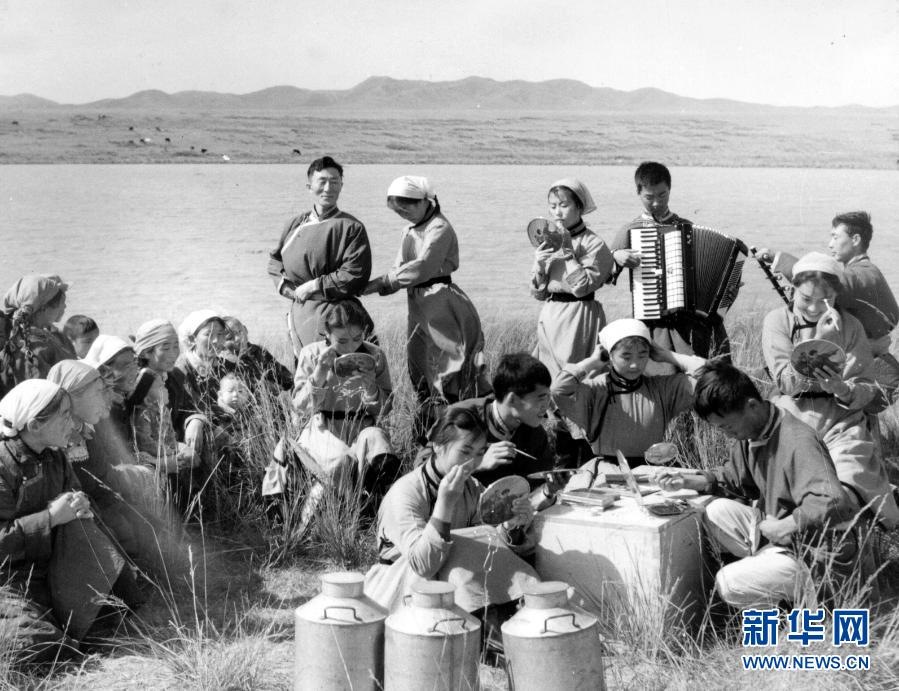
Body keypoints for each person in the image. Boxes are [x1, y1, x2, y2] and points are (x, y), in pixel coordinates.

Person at [656, 361, 857, 609]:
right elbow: (736, 479)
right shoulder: (754, 431)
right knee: (714, 511)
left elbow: (833, 501)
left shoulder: (798, 441)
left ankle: (794, 613)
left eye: (727, 426)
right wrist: (690, 480)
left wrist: (786, 526)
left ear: (751, 405)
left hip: (814, 554)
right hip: (780, 535)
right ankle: (772, 586)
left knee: (729, 582)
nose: (726, 434)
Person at [365, 406, 539, 629]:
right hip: (399, 587)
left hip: (449, 583)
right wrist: (444, 504)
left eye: (480, 453)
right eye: (465, 452)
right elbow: (422, 564)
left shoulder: (471, 486)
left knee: (476, 541)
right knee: (460, 545)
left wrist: (511, 526)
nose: (473, 462)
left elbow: (486, 540)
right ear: (438, 446)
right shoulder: (406, 493)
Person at [761, 251, 899, 528]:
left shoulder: (850, 325)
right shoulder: (778, 321)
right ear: (793, 289)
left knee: (851, 475)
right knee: (793, 477)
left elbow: (865, 386)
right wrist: (819, 340)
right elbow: (786, 383)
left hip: (841, 418)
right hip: (793, 413)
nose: (814, 309)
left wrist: (843, 389)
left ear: (837, 296)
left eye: (825, 301)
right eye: (806, 299)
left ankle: (847, 522)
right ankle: (801, 523)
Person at [0, 380, 134, 662]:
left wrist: (80, 504)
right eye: (64, 416)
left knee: (117, 600)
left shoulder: (55, 457)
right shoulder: (3, 465)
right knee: (30, 640)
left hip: (48, 569)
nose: (72, 424)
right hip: (8, 580)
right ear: (35, 425)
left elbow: (76, 495)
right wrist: (49, 518)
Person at [364, 175, 491, 438]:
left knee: (448, 366)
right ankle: (429, 429)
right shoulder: (409, 231)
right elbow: (400, 269)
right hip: (418, 302)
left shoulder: (439, 228)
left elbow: (422, 267)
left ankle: (457, 428)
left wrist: (379, 284)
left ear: (424, 201)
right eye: (399, 211)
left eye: (407, 207)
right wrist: (375, 284)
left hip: (441, 301)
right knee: (419, 363)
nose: (404, 214)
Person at [761, 211, 899, 401]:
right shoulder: (868, 271)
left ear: (855, 239)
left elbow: (819, 280)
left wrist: (778, 258)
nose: (830, 244)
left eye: (835, 237)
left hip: (870, 368)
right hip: (870, 361)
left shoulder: (861, 275)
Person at [609, 162, 730, 360]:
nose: (657, 202)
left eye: (662, 195)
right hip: (654, 320)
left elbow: (702, 271)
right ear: (638, 193)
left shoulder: (686, 226)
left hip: (688, 321)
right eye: (649, 197)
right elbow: (606, 276)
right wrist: (615, 255)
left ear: (670, 190)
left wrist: (724, 284)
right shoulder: (630, 229)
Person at [552, 318, 705, 468]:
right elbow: (558, 389)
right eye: (626, 356)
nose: (635, 365)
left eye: (642, 355)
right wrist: (592, 362)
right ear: (610, 355)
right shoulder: (595, 389)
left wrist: (665, 354)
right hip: (607, 470)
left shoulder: (660, 389)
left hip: (650, 470)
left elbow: (707, 379)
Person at [286, 300, 398, 504]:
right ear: (327, 334)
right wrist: (319, 372)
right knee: (340, 459)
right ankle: (344, 503)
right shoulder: (311, 354)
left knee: (379, 445)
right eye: (342, 341)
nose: (350, 347)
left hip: (362, 424)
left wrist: (371, 388)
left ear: (364, 332)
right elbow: (300, 407)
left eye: (357, 338)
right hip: (322, 426)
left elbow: (386, 407)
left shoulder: (375, 354)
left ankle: (375, 498)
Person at [267, 155, 374, 357]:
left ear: (341, 186)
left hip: (340, 317)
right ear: (309, 187)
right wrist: (284, 286)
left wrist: (314, 286)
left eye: (334, 182)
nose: (328, 188)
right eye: (322, 181)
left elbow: (354, 275)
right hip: (301, 313)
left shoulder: (352, 227)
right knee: (307, 372)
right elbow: (275, 261)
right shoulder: (294, 224)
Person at [531, 178, 614, 377]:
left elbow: (581, 288)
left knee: (576, 377)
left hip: (579, 317)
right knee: (545, 378)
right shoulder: (550, 241)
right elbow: (538, 293)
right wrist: (539, 263)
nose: (557, 213)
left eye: (564, 205)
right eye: (553, 206)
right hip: (551, 316)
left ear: (579, 206)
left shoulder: (594, 244)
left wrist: (568, 254)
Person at [449, 353, 555, 489]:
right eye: (541, 398)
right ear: (513, 399)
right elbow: (427, 470)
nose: (547, 405)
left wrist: (548, 490)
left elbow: (537, 487)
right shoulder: (461, 417)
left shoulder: (535, 434)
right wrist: (478, 464)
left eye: (549, 397)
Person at [0, 274, 75, 397]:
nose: (65, 306)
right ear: (44, 307)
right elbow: (37, 396)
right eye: (61, 302)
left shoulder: (31, 338)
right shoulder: (33, 347)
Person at [220, 315, 293, 395]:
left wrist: (280, 384)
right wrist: (264, 386)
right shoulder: (224, 363)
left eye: (240, 332)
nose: (237, 338)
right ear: (221, 342)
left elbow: (282, 373)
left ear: (245, 330)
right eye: (230, 338)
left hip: (268, 400)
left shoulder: (258, 351)